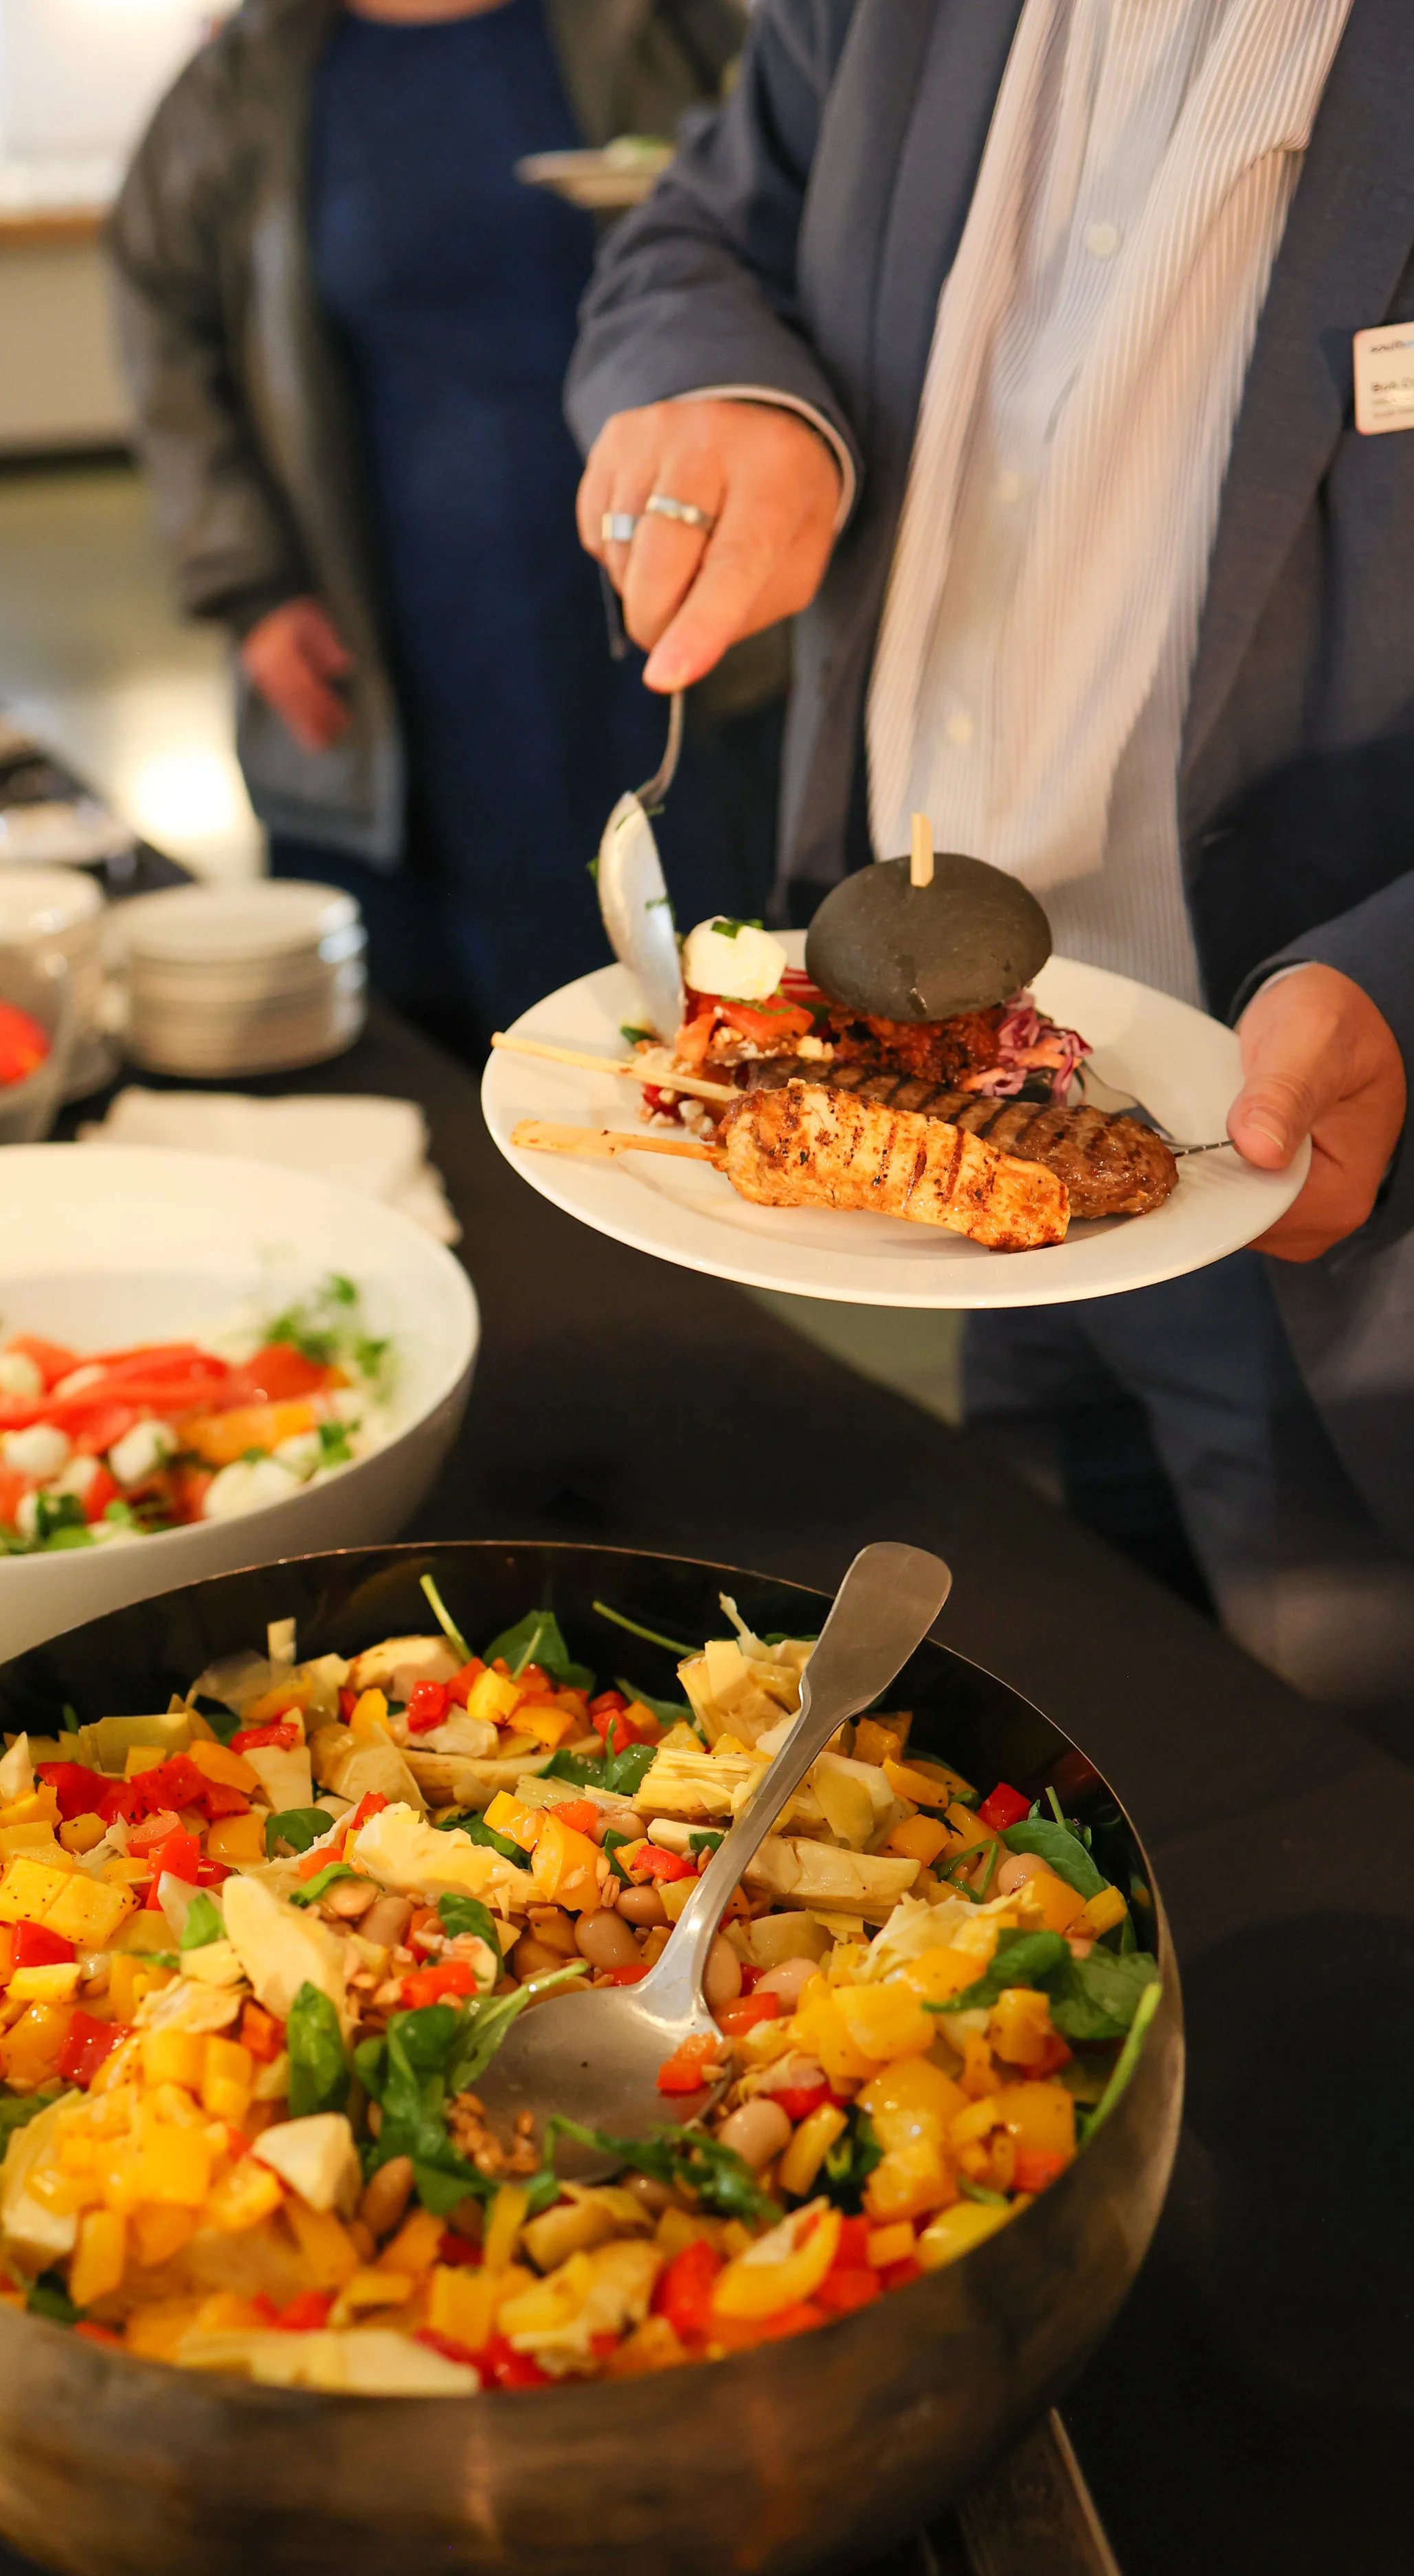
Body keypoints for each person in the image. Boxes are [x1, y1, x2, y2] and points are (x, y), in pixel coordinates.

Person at [567, 0, 1414, 1720]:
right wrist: (737, 400)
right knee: (1038, 1702)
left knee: (1336, 1786)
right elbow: (700, 225)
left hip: (1330, 1174)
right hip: (949, 1130)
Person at [106, 0, 783, 1055]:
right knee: (440, 1010)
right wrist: (248, 583)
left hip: (654, 582)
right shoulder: (248, 80)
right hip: (396, 611)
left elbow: (797, 213)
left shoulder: (664, 25)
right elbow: (165, 339)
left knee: (703, 971)